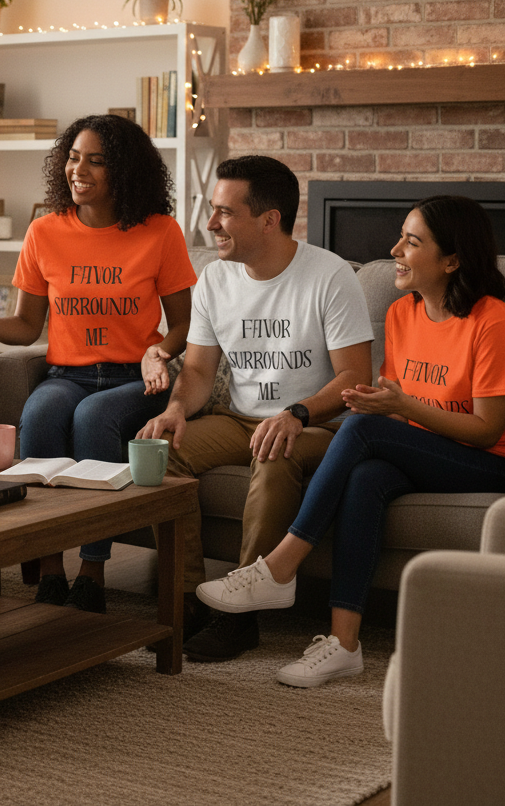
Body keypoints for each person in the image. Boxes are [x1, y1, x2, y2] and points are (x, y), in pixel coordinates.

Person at [195, 195, 505, 687]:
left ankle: (280, 567)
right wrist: (378, 404)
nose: (395, 251)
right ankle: (344, 643)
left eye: (412, 242)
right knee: (367, 476)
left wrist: (400, 409)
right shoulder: (401, 314)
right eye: (400, 238)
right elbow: (395, 404)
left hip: (493, 463)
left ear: (452, 260)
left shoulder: (491, 321)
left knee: (361, 429)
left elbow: (487, 430)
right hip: (424, 449)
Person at [0, 113, 195, 614]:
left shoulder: (160, 232)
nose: (79, 170)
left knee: (94, 417)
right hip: (67, 374)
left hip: (133, 378)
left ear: (124, 171)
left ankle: (93, 570)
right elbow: (27, 326)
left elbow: (184, 324)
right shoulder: (44, 232)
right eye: (73, 158)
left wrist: (157, 351)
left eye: (96, 161)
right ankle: (50, 568)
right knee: (40, 414)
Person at [137, 155, 374, 662]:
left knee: (273, 452)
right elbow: (198, 372)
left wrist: (296, 413)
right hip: (239, 417)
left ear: (269, 219)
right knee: (161, 447)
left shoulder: (329, 276)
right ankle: (190, 598)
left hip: (317, 424)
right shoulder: (214, 279)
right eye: (212, 209)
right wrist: (177, 409)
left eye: (225, 212)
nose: (210, 223)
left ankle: (240, 616)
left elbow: (355, 378)